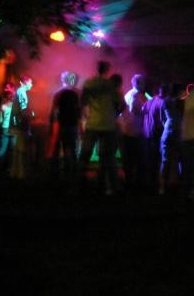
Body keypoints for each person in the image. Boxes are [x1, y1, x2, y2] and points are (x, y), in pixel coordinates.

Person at [77, 61, 123, 196]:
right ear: (107, 69)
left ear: (97, 69)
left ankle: (78, 187)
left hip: (93, 123)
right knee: (107, 157)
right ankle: (108, 187)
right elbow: (121, 104)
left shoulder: (89, 83)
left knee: (84, 156)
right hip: (108, 125)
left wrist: (85, 117)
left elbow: (83, 102)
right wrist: (114, 114)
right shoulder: (110, 85)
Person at [47, 71, 81, 191]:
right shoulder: (77, 93)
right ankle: (72, 176)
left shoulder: (58, 93)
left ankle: (56, 177)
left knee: (58, 149)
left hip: (61, 125)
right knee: (71, 150)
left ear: (63, 80)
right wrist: (80, 126)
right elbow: (79, 111)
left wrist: (50, 125)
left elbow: (53, 112)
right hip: (72, 125)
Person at [122, 74, 149, 191]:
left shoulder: (128, 94)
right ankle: (136, 185)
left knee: (129, 159)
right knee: (138, 159)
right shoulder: (135, 95)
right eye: (143, 82)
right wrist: (145, 110)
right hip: (134, 131)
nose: (144, 85)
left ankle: (128, 182)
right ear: (138, 83)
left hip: (127, 130)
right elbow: (134, 109)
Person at [9, 75, 34, 179]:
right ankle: (21, 173)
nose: (31, 84)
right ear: (24, 83)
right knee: (21, 150)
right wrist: (31, 115)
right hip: (20, 125)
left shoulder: (18, 92)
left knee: (16, 150)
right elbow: (23, 110)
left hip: (16, 124)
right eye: (30, 82)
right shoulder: (22, 93)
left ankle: (14, 172)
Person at [0, 88, 15, 174]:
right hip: (12, 128)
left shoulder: (3, 106)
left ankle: (0, 167)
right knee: (13, 149)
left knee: (3, 148)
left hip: (4, 127)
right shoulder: (14, 107)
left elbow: (0, 119)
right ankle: (11, 167)